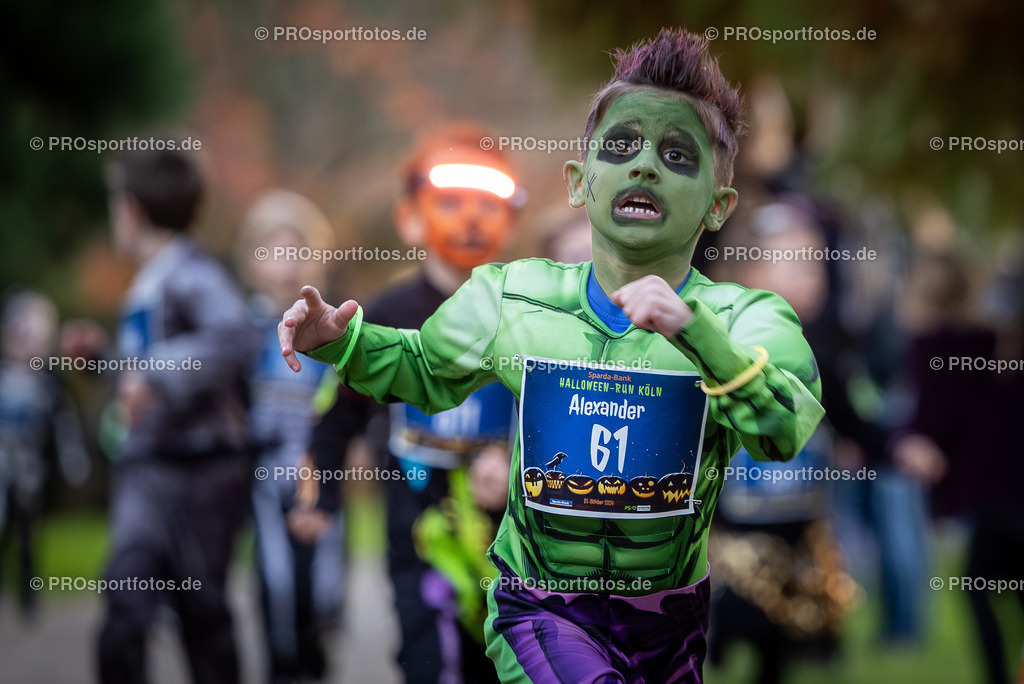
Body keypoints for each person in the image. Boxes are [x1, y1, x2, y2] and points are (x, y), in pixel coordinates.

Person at [279, 28, 823, 683]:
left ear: (718, 205)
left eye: (677, 154)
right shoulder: (511, 298)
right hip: (540, 606)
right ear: (578, 182)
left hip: (670, 621)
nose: (644, 165)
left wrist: (698, 335)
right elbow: (422, 368)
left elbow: (783, 429)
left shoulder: (750, 318)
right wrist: (343, 341)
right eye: (621, 146)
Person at [297, 123, 521, 683]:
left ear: (510, 219)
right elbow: (337, 410)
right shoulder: (384, 316)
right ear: (410, 219)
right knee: (431, 663)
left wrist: (516, 462)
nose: (471, 217)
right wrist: (317, 493)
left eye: (488, 204)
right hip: (418, 535)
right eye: (450, 201)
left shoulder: (531, 316)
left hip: (514, 541)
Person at [94, 145, 257, 684]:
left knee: (202, 613)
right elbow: (140, 377)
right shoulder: (147, 282)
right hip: (148, 467)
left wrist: (153, 373)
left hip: (203, 470)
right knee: (126, 597)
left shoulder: (191, 273)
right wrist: (102, 361)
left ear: (133, 209)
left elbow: (233, 334)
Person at [238, 190, 344, 683]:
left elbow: (348, 402)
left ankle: (315, 657)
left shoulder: (328, 328)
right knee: (274, 580)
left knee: (321, 585)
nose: (285, 262)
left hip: (316, 470)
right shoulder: (241, 327)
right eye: (272, 249)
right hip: (264, 476)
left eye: (296, 249)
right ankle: (281, 664)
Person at [0, 288, 89, 618]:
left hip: (29, 467)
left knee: (27, 529)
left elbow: (65, 427)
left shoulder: (48, 383)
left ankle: (28, 592)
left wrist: (73, 462)